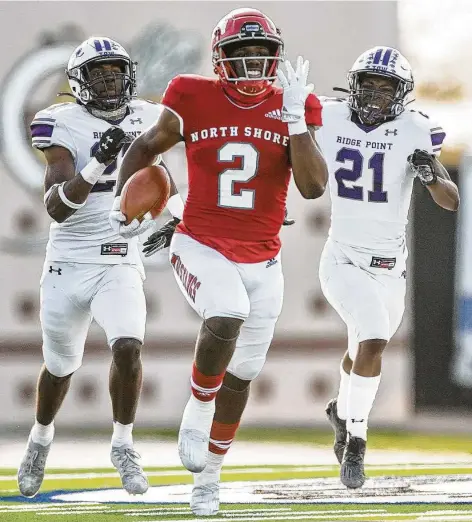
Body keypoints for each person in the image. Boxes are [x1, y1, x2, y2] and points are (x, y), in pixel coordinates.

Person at [109, 7, 328, 515]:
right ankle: (196, 406)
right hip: (201, 242)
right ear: (220, 58)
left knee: (243, 375)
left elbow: (313, 187)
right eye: (241, 53)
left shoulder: (295, 104)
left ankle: (208, 479)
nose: (253, 64)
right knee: (225, 312)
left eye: (261, 54)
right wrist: (120, 200)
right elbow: (145, 146)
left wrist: (297, 119)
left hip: (264, 260)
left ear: (275, 57)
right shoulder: (191, 95)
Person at [17, 36, 182, 498]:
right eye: (99, 75)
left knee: (128, 346)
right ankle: (41, 438)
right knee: (60, 366)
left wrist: (181, 215)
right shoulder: (59, 122)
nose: (110, 83)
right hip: (69, 262)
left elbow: (168, 177)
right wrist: (98, 164)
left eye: (115, 73)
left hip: (119, 257)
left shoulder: (149, 117)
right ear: (79, 83)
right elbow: (56, 207)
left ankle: (123, 445)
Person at [317, 46, 459, 489]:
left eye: (387, 87)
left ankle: (342, 411)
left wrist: (431, 173)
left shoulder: (416, 130)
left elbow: (451, 200)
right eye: (370, 84)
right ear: (354, 85)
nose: (377, 94)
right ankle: (356, 442)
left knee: (363, 345)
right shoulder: (329, 116)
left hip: (390, 267)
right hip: (342, 258)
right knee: (374, 337)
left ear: (402, 94)